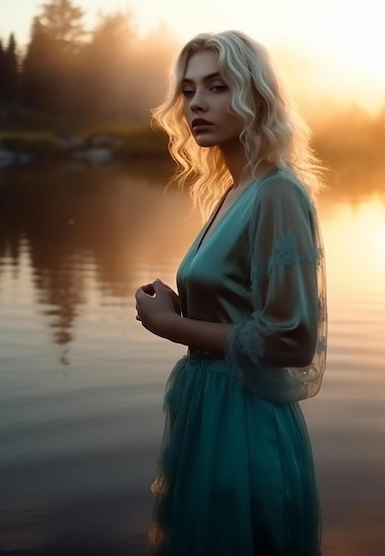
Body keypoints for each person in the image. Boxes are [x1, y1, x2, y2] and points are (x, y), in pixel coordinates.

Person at [135, 30, 327, 556]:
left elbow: (292, 341)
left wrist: (170, 326)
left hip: (247, 424)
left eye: (217, 87)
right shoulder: (233, 191)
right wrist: (180, 306)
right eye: (190, 89)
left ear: (256, 97)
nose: (197, 102)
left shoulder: (278, 192)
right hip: (210, 413)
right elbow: (240, 311)